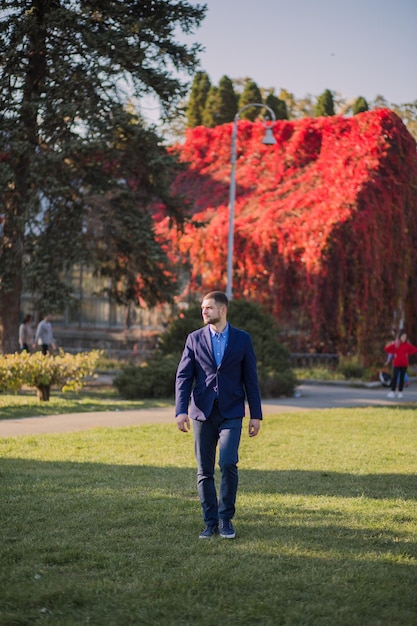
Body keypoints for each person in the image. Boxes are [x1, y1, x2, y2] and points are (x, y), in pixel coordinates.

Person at [175, 291, 262, 540]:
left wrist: (256, 414)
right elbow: (183, 377)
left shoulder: (242, 340)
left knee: (227, 463)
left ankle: (226, 519)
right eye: (203, 308)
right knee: (204, 470)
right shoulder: (194, 339)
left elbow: (251, 380)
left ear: (223, 310)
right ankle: (210, 522)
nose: (204, 311)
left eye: (209, 308)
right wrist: (181, 410)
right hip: (201, 412)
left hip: (232, 411)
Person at [384, 329, 417, 398]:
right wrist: (394, 352)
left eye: (405, 337)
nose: (404, 339)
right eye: (403, 337)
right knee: (394, 377)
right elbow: (387, 349)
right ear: (399, 337)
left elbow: (414, 350)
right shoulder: (396, 345)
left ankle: (400, 392)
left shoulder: (407, 345)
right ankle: (392, 391)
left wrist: (408, 353)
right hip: (396, 364)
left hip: (404, 364)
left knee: (402, 378)